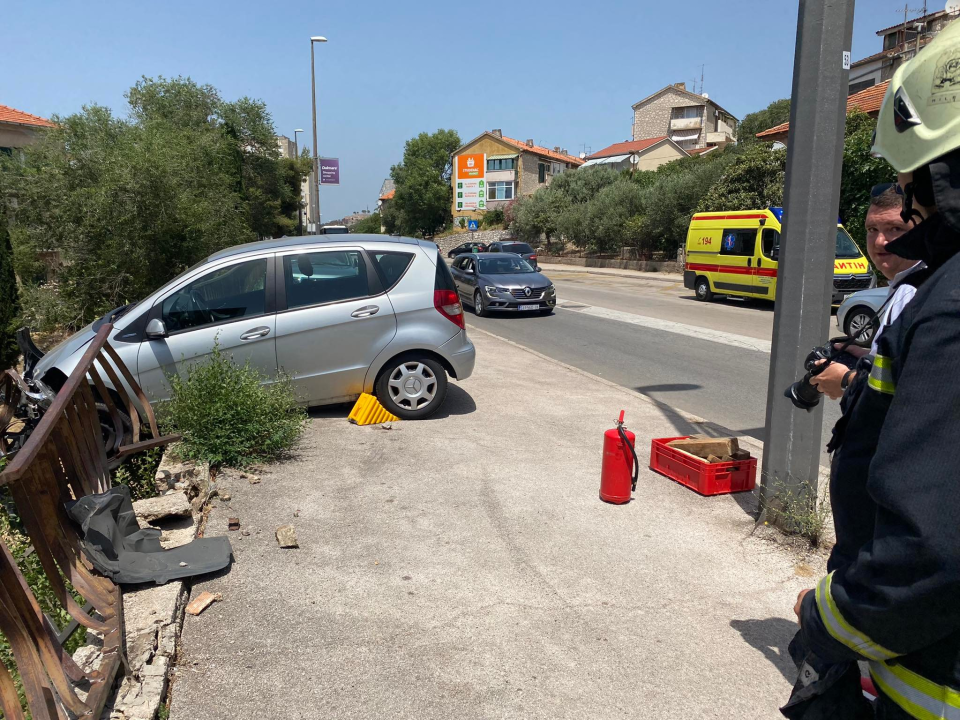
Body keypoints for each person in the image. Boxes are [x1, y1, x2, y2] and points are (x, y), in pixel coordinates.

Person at [789, 21, 960, 718]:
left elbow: (930, 551)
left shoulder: (948, 301)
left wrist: (827, 615)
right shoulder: (927, 288)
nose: (907, 204)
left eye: (911, 181)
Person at [810, 185, 921, 400]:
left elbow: (918, 388)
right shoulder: (903, 285)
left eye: (895, 228)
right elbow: (902, 365)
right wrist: (868, 356)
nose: (880, 241)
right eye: (872, 229)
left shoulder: (914, 292)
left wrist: (846, 379)